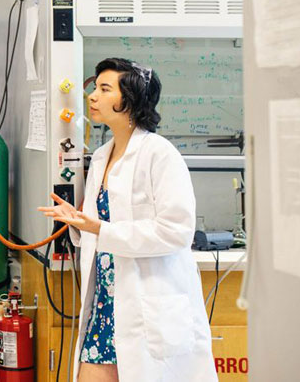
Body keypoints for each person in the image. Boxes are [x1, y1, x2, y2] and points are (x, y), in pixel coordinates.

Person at [38, 57, 216, 382]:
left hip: (148, 306)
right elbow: (96, 227)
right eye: (95, 88)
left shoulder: (160, 154)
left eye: (105, 89)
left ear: (129, 100)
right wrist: (78, 225)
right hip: (107, 305)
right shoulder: (104, 155)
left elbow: (176, 231)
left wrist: (96, 228)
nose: (92, 96)